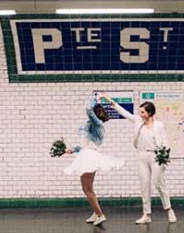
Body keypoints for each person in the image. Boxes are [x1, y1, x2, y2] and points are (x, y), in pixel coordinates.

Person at [99, 94, 176, 224]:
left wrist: (164, 156)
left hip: (156, 156)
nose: (140, 114)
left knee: (158, 184)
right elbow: (123, 112)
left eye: (142, 112)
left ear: (149, 113)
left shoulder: (159, 126)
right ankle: (146, 214)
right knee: (144, 185)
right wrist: (108, 100)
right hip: (142, 156)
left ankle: (169, 210)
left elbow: (164, 142)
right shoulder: (138, 122)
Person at [64, 95, 124, 226]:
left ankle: (100, 214)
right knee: (86, 188)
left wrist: (96, 98)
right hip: (87, 155)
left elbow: (88, 109)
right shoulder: (93, 125)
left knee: (88, 189)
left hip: (89, 157)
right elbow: (85, 145)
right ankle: (96, 212)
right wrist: (72, 150)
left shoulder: (97, 124)